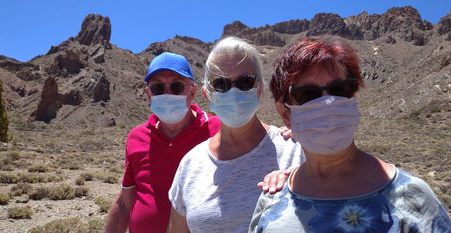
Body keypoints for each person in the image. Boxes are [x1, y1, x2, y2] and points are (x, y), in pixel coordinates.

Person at [249, 37, 451, 232]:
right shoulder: (272, 200)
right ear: (285, 113)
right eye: (308, 95)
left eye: (340, 90)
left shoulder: (411, 196)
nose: (327, 102)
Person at [167, 36, 305, 233]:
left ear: (259, 88)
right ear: (208, 94)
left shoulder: (295, 150)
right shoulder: (190, 164)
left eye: (245, 82)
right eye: (221, 84)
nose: (233, 92)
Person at [104, 52, 220, 233]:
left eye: (176, 86)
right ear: (149, 95)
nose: (167, 94)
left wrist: (281, 133)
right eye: (158, 88)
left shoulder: (218, 130)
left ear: (193, 92)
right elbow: (125, 202)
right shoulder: (137, 137)